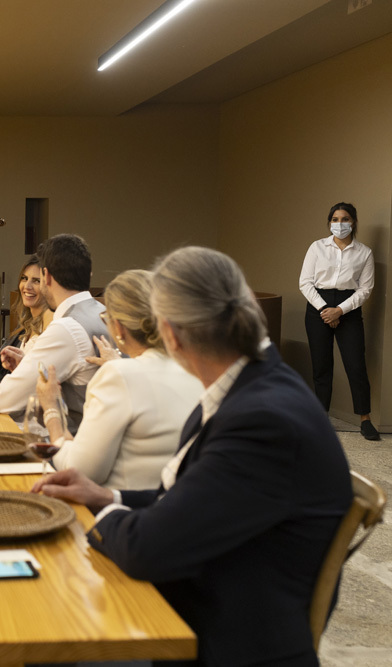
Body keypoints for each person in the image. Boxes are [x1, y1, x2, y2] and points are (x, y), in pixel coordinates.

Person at [33, 246, 352, 666]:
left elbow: (148, 548)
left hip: (224, 642)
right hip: (207, 605)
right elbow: (187, 499)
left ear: (170, 333)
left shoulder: (262, 420)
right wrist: (106, 497)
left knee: (46, 615)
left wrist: (96, 518)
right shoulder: (255, 388)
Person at [36, 269, 203, 489]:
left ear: (120, 328)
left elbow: (79, 471)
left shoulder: (118, 375)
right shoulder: (195, 371)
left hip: (119, 505)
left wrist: (52, 409)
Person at [0, 234, 106, 431]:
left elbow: (4, 399)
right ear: (89, 274)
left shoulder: (66, 328)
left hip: (67, 441)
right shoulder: (102, 312)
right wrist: (27, 366)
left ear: (47, 277)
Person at [299, 202, 379, 441]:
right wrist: (325, 309)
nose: (339, 224)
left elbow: (365, 289)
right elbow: (305, 282)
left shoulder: (364, 253)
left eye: (345, 219)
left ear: (353, 222)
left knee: (356, 365)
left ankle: (365, 420)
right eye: (335, 219)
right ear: (329, 222)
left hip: (349, 307)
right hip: (318, 306)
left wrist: (340, 311)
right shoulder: (317, 247)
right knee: (321, 366)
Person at [0, 254, 52, 391]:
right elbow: (1, 352)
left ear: (50, 286)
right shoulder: (26, 323)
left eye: (36, 281)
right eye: (24, 278)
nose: (27, 286)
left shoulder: (51, 329)